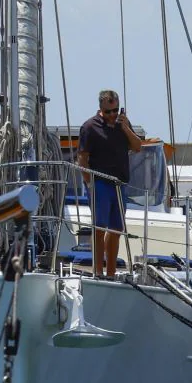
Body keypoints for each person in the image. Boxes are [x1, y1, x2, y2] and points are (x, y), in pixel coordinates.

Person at [75, 89, 141, 279]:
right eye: (108, 112)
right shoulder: (89, 127)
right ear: (101, 109)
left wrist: (126, 128)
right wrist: (89, 183)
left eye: (115, 111)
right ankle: (98, 271)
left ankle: (110, 273)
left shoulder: (123, 125)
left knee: (116, 229)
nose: (112, 115)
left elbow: (137, 147)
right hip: (100, 184)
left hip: (119, 185)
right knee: (99, 227)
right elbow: (82, 157)